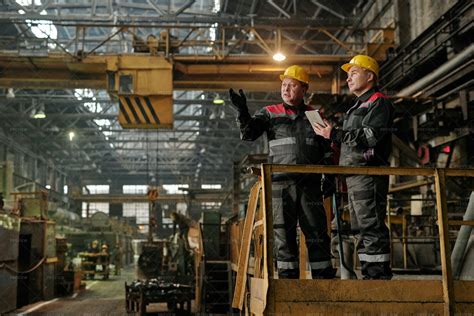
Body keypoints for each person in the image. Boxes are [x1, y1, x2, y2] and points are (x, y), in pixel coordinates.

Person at [229, 65, 336, 279]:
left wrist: (330, 177)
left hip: (310, 185)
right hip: (280, 185)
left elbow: (325, 149)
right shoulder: (270, 113)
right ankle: (288, 283)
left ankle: (324, 282)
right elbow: (249, 134)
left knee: (317, 234)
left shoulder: (313, 115)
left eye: (292, 85)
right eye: (283, 85)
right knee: (283, 234)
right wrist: (242, 112)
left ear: (304, 88)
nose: (286, 89)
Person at [313, 55, 394, 279]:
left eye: (354, 73)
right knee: (362, 227)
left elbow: (371, 136)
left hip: (368, 174)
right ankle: (371, 275)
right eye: (347, 74)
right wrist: (331, 137)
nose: (348, 78)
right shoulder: (356, 107)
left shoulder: (378, 102)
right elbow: (350, 142)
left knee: (371, 225)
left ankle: (377, 277)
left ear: (370, 76)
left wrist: (336, 134)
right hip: (354, 176)